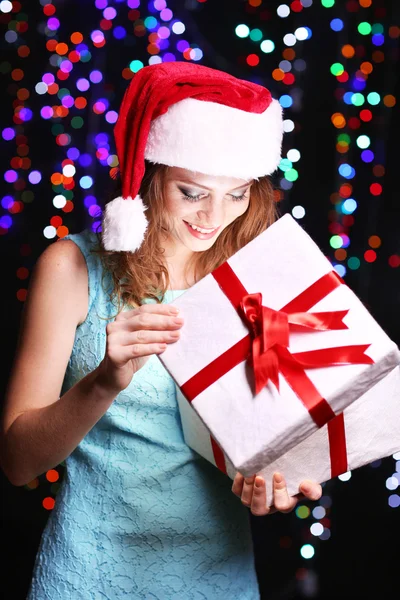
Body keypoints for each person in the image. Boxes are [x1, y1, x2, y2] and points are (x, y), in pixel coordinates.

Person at [0, 62, 322, 599]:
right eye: (192, 192)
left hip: (219, 576)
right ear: (148, 174)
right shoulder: (72, 267)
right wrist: (105, 380)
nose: (214, 216)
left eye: (237, 193)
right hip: (90, 572)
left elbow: (271, 450)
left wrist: (275, 480)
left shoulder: (259, 281)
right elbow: (16, 462)